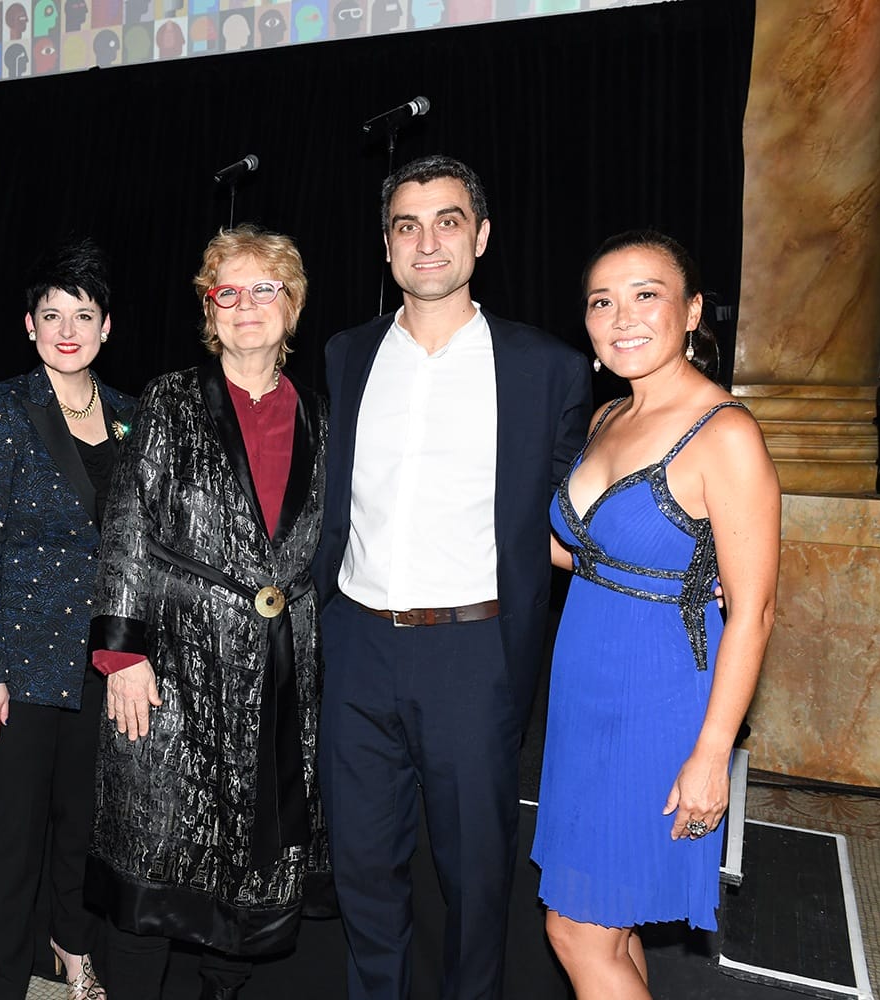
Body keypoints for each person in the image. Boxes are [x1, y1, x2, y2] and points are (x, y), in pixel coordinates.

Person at [312, 154, 594, 1000]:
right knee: (362, 872)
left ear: (481, 236)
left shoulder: (547, 368)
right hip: (358, 647)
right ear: (386, 246)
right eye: (407, 224)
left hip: (474, 657)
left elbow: (575, 516)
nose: (426, 241)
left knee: (476, 884)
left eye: (446, 221)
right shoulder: (345, 354)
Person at [87, 225, 331, 1000]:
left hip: (279, 665)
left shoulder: (323, 415)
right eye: (228, 290)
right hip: (174, 664)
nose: (247, 305)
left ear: (291, 306)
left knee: (252, 858)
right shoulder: (168, 399)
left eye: (266, 289)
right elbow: (127, 526)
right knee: (156, 852)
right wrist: (123, 654)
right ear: (208, 308)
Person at [532, 230, 779, 998]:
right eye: (603, 300)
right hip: (584, 695)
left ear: (693, 310)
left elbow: (756, 609)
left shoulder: (725, 434)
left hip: (660, 701)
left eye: (648, 295)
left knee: (576, 932)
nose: (623, 315)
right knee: (611, 922)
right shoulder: (609, 418)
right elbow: (588, 555)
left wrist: (712, 754)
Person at [0, 238, 134, 1000]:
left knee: (81, 829)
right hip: (17, 669)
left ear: (106, 327)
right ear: (29, 325)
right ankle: (3, 985)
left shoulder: (131, 414)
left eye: (82, 315)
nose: (67, 329)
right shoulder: (3, 407)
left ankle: (74, 948)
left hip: (99, 667)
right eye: (51, 314)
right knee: (15, 843)